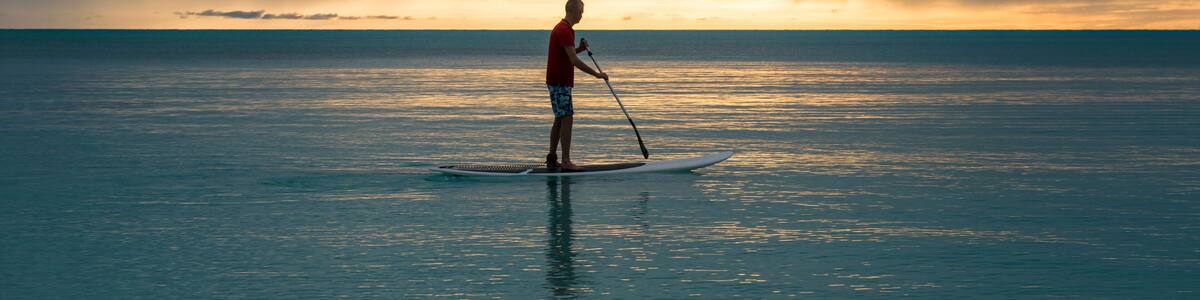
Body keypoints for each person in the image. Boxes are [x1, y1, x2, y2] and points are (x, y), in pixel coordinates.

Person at [545, 0, 608, 171]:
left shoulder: (565, 29)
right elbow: (573, 60)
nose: (582, 14)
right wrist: (597, 74)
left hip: (557, 81)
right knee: (567, 118)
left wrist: (579, 48)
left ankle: (552, 158)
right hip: (559, 82)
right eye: (581, 11)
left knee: (560, 118)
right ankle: (566, 161)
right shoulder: (564, 30)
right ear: (573, 10)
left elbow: (568, 54)